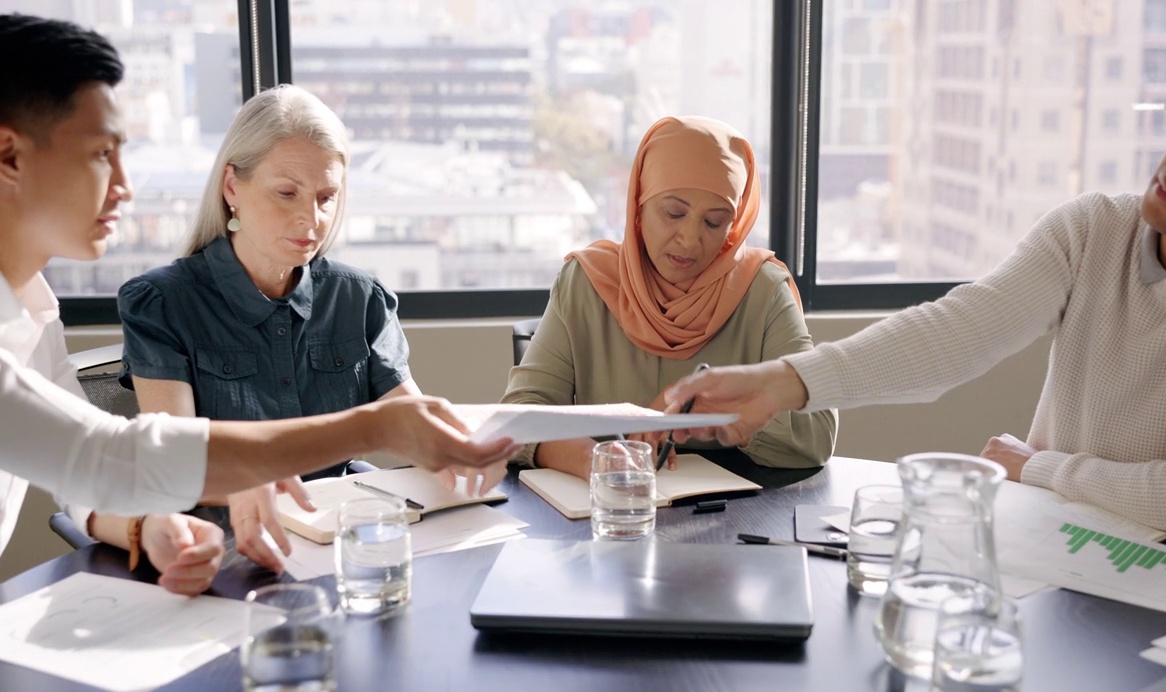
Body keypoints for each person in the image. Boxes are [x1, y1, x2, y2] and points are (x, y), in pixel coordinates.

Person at [666, 52, 1166, 552]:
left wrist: (1041, 467)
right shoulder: (1093, 229)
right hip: (1059, 550)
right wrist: (782, 382)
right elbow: (957, 332)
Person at [0, 13, 517, 594]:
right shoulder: (159, 299)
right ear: (10, 156)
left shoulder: (33, 316)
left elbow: (93, 468)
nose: (126, 184)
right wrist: (368, 427)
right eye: (101, 154)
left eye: (327, 197)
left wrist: (149, 527)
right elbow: (118, 453)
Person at [78, 84, 430, 577]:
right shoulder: (161, 303)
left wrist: (470, 444)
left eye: (326, 197)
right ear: (232, 187)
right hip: (220, 549)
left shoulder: (359, 296)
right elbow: (177, 458)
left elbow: (413, 424)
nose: (312, 219)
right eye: (287, 193)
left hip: (336, 542)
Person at [501, 116, 836, 479]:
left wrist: (709, 407)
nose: (690, 240)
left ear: (734, 225)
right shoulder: (586, 282)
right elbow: (519, 417)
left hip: (734, 518)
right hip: (609, 510)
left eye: (714, 222)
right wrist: (597, 460)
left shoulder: (763, 289)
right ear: (639, 206)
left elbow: (816, 434)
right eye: (674, 213)